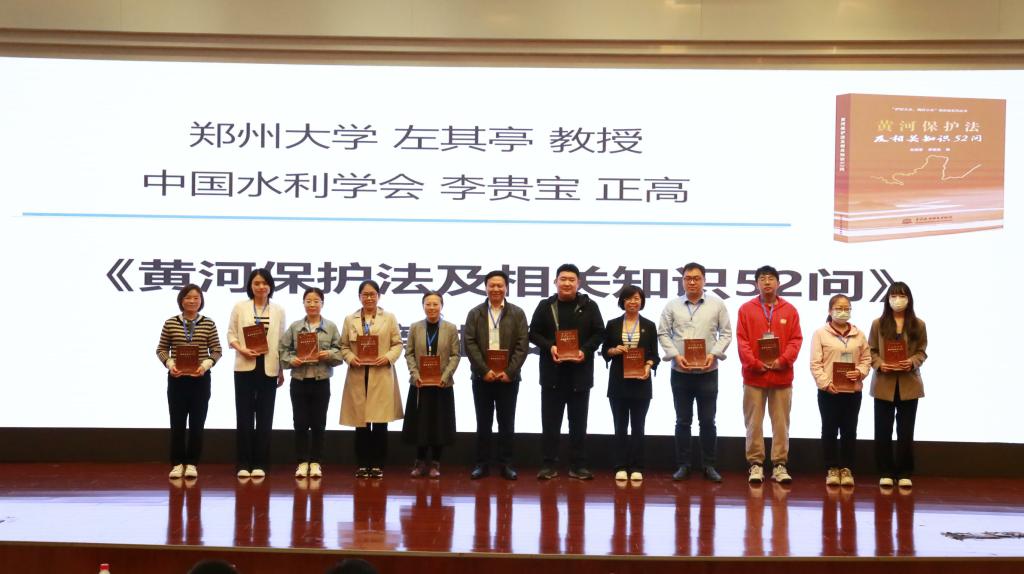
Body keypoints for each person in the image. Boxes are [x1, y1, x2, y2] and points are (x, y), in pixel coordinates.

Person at [528, 263, 605, 480]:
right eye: (563, 279)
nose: (567, 283)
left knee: (578, 424)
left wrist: (584, 350)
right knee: (550, 423)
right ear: (555, 282)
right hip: (552, 374)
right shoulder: (545, 306)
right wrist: (550, 346)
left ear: (578, 283)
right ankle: (548, 465)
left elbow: (600, 333)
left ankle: (578, 466)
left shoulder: (590, 306)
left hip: (580, 375)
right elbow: (533, 333)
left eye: (572, 280)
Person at [657, 262, 733, 482]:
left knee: (708, 421)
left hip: (708, 372)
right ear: (682, 281)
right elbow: (663, 333)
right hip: (680, 372)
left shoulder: (717, 304)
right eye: (688, 278)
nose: (692, 282)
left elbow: (726, 334)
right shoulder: (672, 306)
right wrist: (675, 355)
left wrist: (714, 354)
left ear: (704, 280)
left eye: (696, 278)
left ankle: (709, 465)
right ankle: (684, 465)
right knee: (682, 421)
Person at [736, 265, 802, 484]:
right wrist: (754, 363)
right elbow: (742, 341)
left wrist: (783, 361)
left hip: (781, 377)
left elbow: (796, 340)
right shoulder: (746, 309)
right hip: (754, 376)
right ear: (756, 283)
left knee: (781, 424)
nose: (767, 282)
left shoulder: (790, 310)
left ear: (778, 283)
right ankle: (755, 464)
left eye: (771, 278)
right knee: (753, 423)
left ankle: (779, 465)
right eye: (762, 278)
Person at [463, 270, 530, 480]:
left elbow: (522, 344)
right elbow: (469, 342)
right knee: (483, 423)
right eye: (492, 285)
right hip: (482, 377)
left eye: (500, 285)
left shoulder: (517, 313)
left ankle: (506, 464)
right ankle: (481, 464)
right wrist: (484, 370)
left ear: (506, 288)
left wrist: (510, 371)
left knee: (506, 422)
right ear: (485, 287)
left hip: (508, 378)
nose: (496, 289)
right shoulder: (475, 313)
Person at [156, 283, 222, 479]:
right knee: (177, 423)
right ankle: (177, 463)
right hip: (177, 380)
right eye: (188, 297)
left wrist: (205, 365)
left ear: (201, 301)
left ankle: (192, 463)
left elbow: (217, 350)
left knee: (197, 423)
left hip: (200, 380)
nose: (192, 301)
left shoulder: (208, 323)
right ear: (181, 300)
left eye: (196, 298)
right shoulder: (171, 323)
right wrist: (170, 364)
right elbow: (161, 349)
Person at [339, 280, 404, 479]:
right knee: (361, 424)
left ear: (378, 296)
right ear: (359, 297)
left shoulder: (389, 318)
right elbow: (343, 346)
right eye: (365, 294)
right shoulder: (350, 319)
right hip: (358, 374)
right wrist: (351, 358)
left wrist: (388, 357)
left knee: (380, 423)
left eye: (372, 294)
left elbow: (397, 344)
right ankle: (362, 464)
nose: (369, 298)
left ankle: (377, 464)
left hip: (381, 373)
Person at [868, 282, 928, 489]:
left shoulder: (919, 324)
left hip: (909, 383)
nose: (897, 300)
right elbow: (871, 350)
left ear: (909, 299)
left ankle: (904, 473)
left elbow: (922, 351)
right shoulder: (878, 323)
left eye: (902, 296)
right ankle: (885, 472)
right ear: (887, 299)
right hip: (884, 383)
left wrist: (911, 362)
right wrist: (880, 364)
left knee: (906, 431)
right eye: (893, 296)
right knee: (882, 430)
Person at [227, 269, 286, 478]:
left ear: (270, 286)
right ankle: (243, 463)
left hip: (269, 367)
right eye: (256, 283)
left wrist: (281, 370)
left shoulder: (278, 310)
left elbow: (281, 342)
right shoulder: (240, 307)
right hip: (245, 365)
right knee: (244, 416)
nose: (261, 287)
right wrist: (242, 349)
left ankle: (261, 463)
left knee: (265, 416)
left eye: (264, 283)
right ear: (250, 286)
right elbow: (231, 334)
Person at [280, 287, 343, 479]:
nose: (312, 304)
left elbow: (340, 352)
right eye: (308, 301)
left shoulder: (330, 327)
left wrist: (328, 354)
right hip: (299, 381)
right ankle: (302, 462)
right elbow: (282, 350)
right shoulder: (295, 327)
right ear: (303, 303)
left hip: (321, 382)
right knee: (300, 423)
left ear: (322, 303)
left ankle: (315, 462)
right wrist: (291, 360)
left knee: (318, 423)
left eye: (316, 301)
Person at [809, 294, 871, 487]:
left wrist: (859, 372)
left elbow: (866, 359)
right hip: (829, 391)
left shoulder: (859, 334)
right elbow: (815, 363)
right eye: (838, 308)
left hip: (852, 392)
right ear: (830, 311)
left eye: (846, 308)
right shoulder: (820, 333)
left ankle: (846, 468)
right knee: (829, 430)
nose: (843, 312)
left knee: (849, 430)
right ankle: (832, 468)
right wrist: (825, 383)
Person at [600, 285, 658, 482]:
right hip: (618, 382)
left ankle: (637, 466)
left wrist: (648, 366)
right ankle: (620, 466)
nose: (633, 302)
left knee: (638, 427)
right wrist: (614, 350)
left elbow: (654, 355)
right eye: (629, 298)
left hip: (641, 382)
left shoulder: (649, 325)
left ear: (642, 302)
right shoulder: (613, 324)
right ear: (622, 301)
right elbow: (604, 350)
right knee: (620, 426)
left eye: (637, 298)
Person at [402, 291, 461, 478]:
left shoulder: (450, 328)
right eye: (428, 304)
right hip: (420, 384)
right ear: (423, 306)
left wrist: (446, 375)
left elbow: (455, 355)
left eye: (436, 304)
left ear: (441, 306)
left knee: (439, 423)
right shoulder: (415, 327)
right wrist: (415, 374)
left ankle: (436, 462)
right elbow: (409, 353)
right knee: (420, 423)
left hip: (442, 384)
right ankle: (419, 461)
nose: (432, 307)